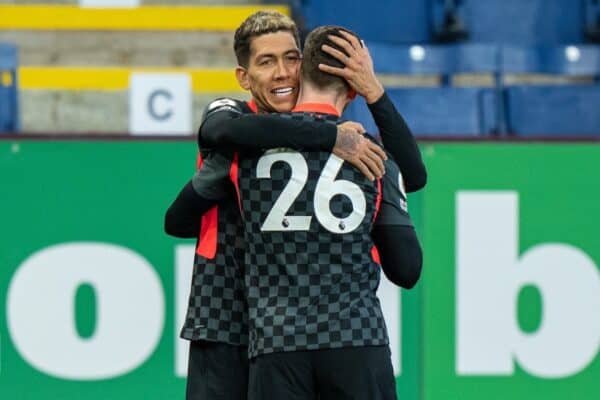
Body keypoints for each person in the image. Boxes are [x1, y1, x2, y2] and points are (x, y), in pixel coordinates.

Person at [165, 11, 425, 400]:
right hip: (224, 320)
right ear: (244, 77)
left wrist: (373, 92)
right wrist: (328, 136)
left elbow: (413, 175)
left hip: (278, 332)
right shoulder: (232, 115)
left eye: (291, 59)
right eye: (266, 62)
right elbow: (219, 135)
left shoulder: (336, 138)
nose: (283, 72)